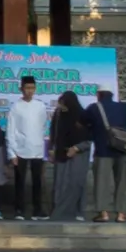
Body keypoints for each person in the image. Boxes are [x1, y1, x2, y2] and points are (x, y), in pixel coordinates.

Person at [3, 74, 53, 217]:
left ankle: (37, 210)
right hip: (20, 150)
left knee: (37, 182)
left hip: (37, 150)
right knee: (20, 182)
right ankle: (19, 209)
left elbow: (43, 127)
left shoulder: (41, 106)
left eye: (32, 88)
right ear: (21, 88)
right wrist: (12, 153)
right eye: (27, 88)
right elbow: (11, 131)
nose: (30, 91)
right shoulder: (16, 107)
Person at [50, 85, 94, 224]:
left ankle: (78, 212)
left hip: (79, 155)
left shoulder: (83, 115)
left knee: (77, 183)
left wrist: (76, 148)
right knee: (60, 183)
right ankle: (59, 212)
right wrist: (52, 149)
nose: (61, 106)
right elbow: (54, 133)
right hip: (61, 153)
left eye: (63, 103)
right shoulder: (58, 116)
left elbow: (89, 139)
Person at [88, 88, 126, 222]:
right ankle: (121, 214)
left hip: (103, 150)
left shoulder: (94, 108)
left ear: (99, 95)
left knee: (102, 183)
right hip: (122, 149)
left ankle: (103, 213)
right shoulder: (123, 107)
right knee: (122, 182)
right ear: (112, 95)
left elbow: (81, 122)